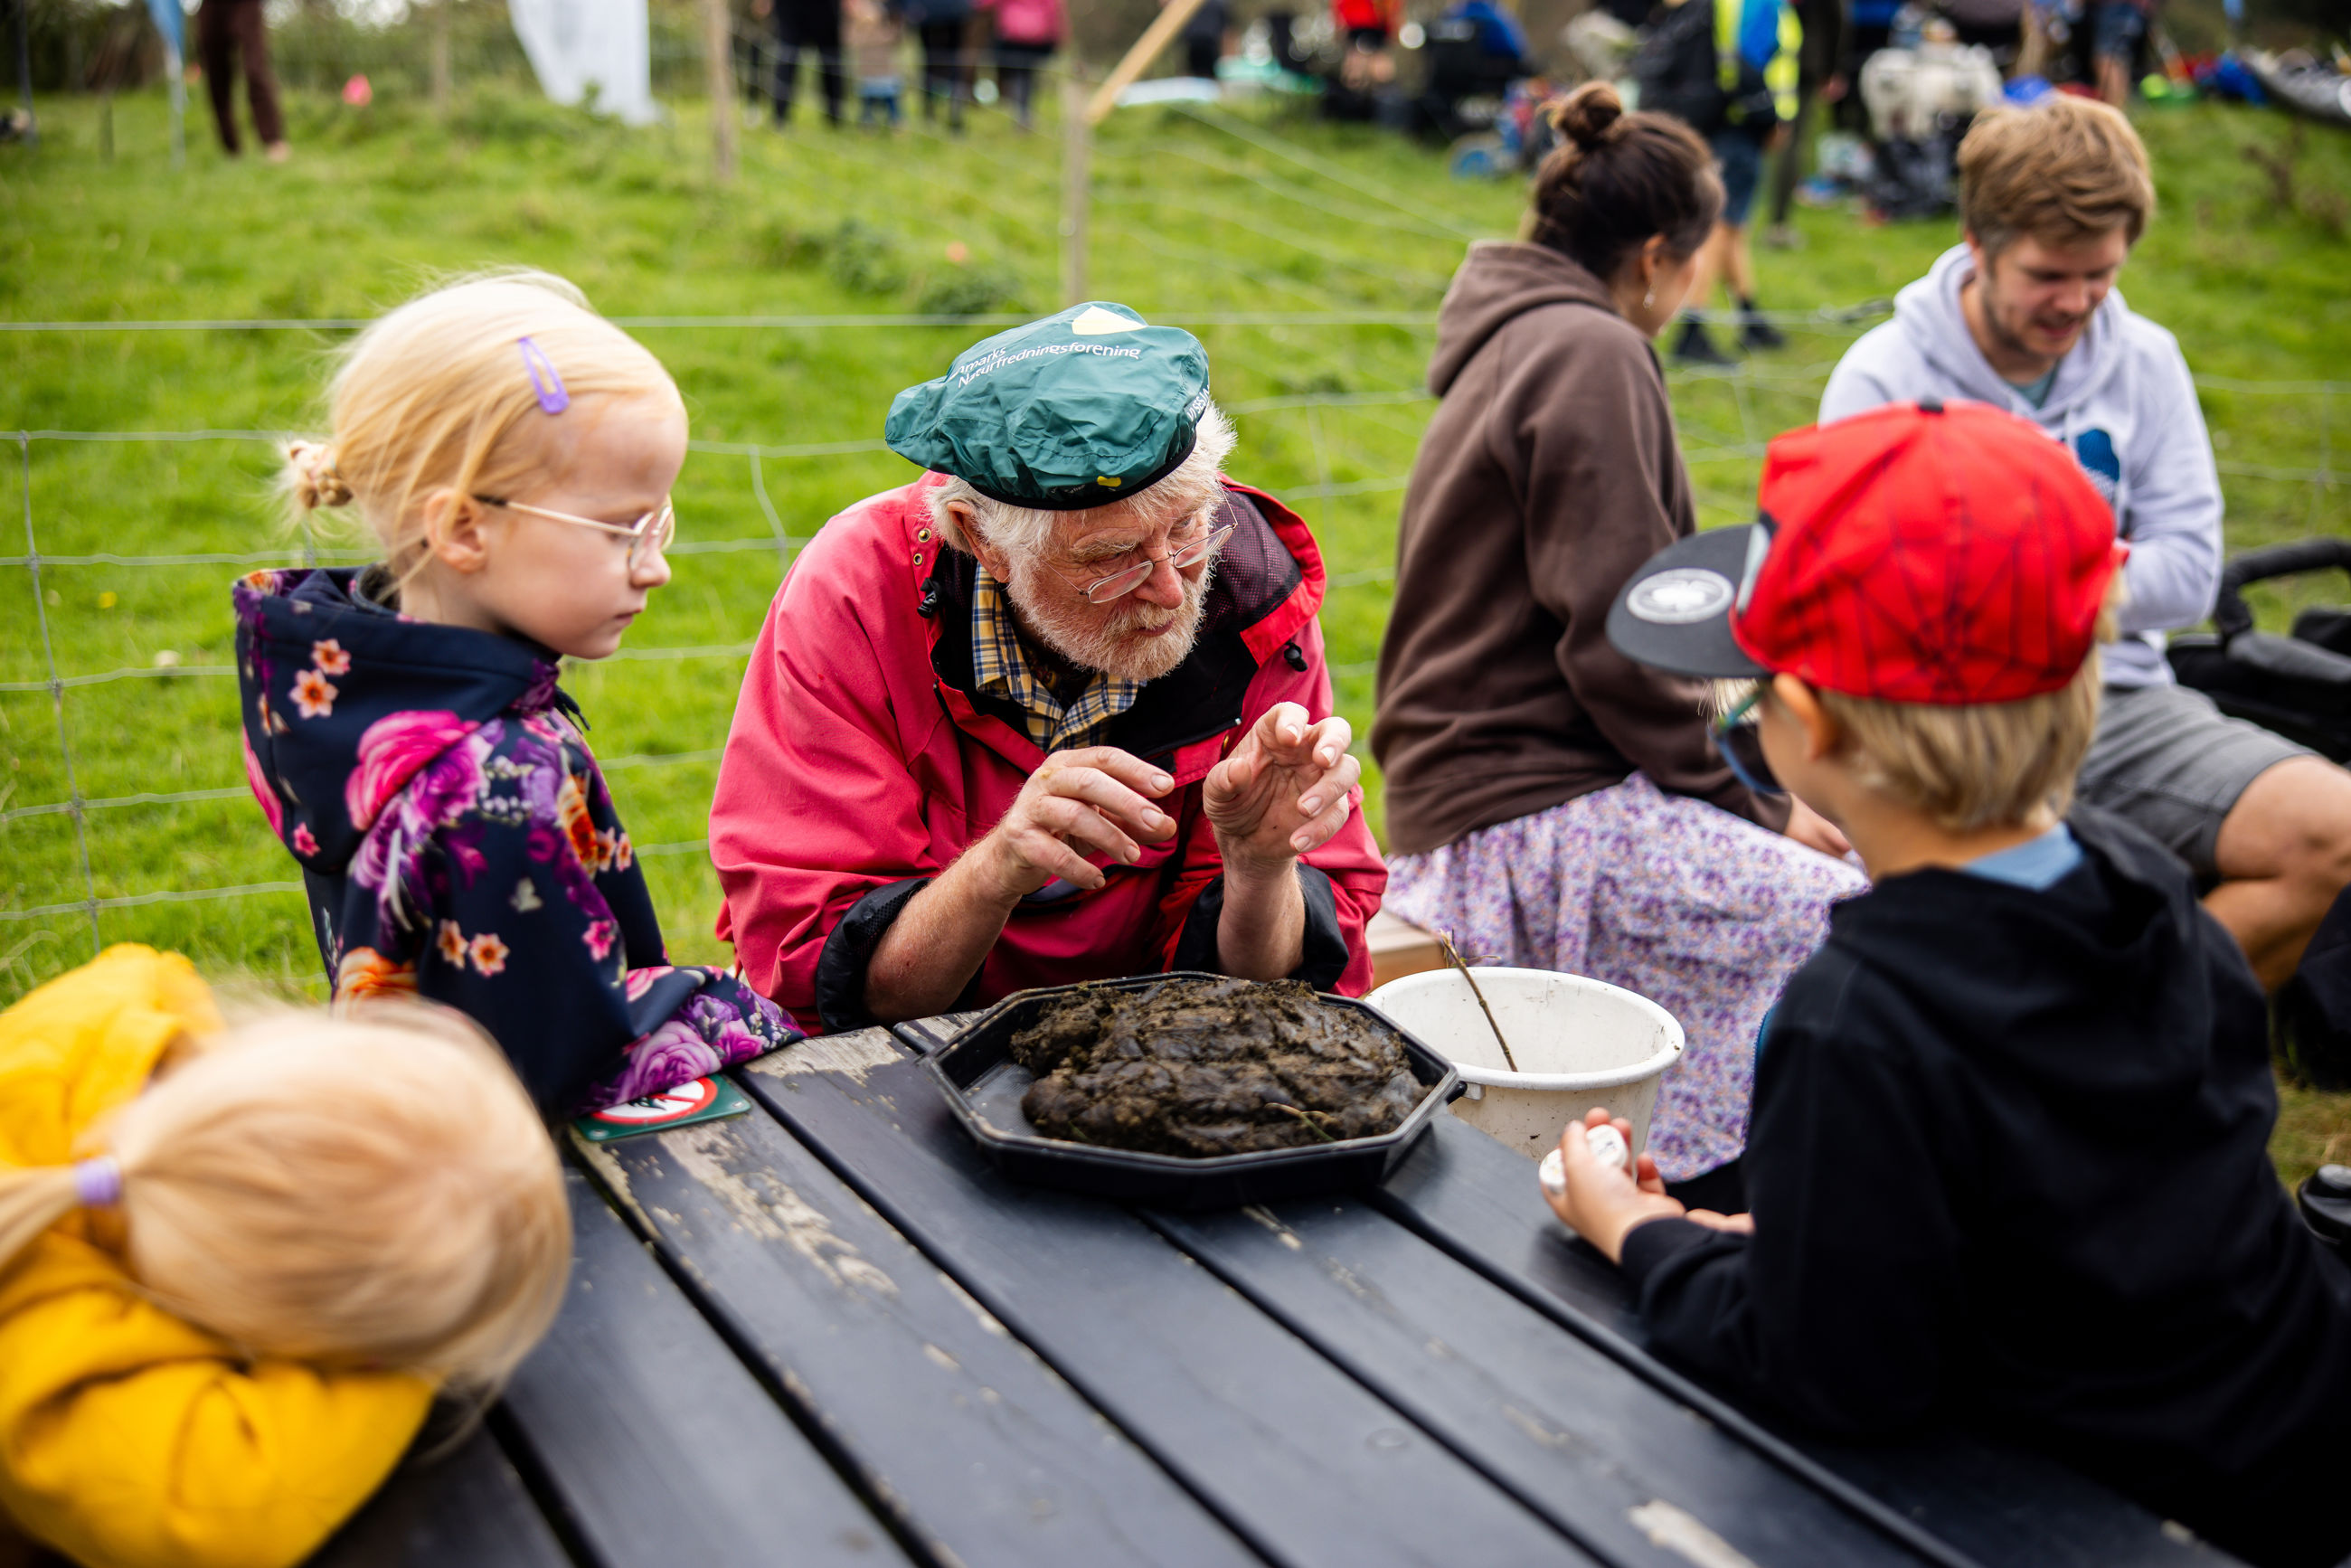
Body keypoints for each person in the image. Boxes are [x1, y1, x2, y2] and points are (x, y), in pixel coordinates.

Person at [1549, 399, 2351, 1568]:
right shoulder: (2144, 889)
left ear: (1809, 723)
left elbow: (1831, 1373)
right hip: (2291, 1435)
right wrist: (1801, 1234)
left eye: (1752, 684)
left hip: (2105, 1516)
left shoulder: (1858, 1018)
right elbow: (2057, 1213)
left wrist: (1640, 1234)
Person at [1370, 83, 1863, 1212]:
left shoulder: (1523, 339)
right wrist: (1761, 807)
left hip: (1498, 789)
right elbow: (1618, 639)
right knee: (1853, 912)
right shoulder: (1591, 352)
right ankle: (1744, 1217)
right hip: (1526, 813)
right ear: (1655, 257)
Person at [710, 302, 1385, 1033]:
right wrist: (1000, 863)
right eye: (1109, 559)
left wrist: (1259, 868)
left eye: (1188, 524)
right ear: (981, 540)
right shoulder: (857, 592)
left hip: (1168, 1048)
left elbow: (1266, 994)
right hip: (908, 1058)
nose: (1169, 588)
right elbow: (831, 983)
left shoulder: (1250, 593)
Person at [233, 272, 799, 1117]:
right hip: (525, 1174)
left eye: (660, 521)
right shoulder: (493, 777)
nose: (657, 566)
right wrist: (740, 1012)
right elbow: (567, 1054)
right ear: (464, 528)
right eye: (620, 530)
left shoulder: (350, 689)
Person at [1820, 96, 2351, 990]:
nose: (2075, 301)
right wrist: (2086, 574)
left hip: (2115, 702)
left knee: (2331, 835)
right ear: (1976, 241)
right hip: (1936, 721)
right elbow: (1850, 599)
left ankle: (2129, 1033)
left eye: (2099, 273)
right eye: (2046, 274)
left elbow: (2186, 572)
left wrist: (2003, 578)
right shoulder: (1880, 376)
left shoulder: (2144, 361)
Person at [0, 944, 570, 1568]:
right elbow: (233, 1512)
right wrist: (413, 1352)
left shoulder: (117, 1025)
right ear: (253, 1326)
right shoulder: (47, 1348)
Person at [1631, 0, 1801, 364]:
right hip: (1739, 126)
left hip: (1720, 121)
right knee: (1716, 230)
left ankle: (1750, 318)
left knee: (1733, 230)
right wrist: (1771, 118)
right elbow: (1749, 64)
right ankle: (1692, 332)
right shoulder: (1756, 4)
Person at [196, 0, 287, 161]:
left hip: (245, 3)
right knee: (216, 78)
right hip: (211, 5)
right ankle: (231, 148)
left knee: (255, 70)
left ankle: (273, 141)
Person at [772, 0, 847, 127]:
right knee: (788, 58)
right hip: (792, 8)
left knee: (830, 60)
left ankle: (834, 115)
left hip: (825, 9)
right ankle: (780, 115)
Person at [989, 0, 1062, 130]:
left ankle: (1020, 114)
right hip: (1037, 33)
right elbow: (1053, 8)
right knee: (1028, 76)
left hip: (1013, 33)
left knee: (1018, 76)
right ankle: (1025, 114)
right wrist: (1056, 34)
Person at [904, 0, 976, 129]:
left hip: (932, 11)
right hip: (949, 11)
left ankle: (934, 114)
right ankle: (946, 113)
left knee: (934, 62)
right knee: (946, 62)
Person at [847, 0, 905, 128]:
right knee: (868, 104)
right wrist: (855, 23)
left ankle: (896, 123)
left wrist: (898, 20)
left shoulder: (884, 35)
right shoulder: (860, 37)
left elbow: (897, 37)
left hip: (886, 75)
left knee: (891, 103)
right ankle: (868, 125)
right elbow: (849, 40)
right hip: (868, 77)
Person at [2089, 0, 2152, 105]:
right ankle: (2118, 107)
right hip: (2127, 9)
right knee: (2118, 59)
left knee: (2106, 58)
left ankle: (2111, 107)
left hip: (2117, 8)